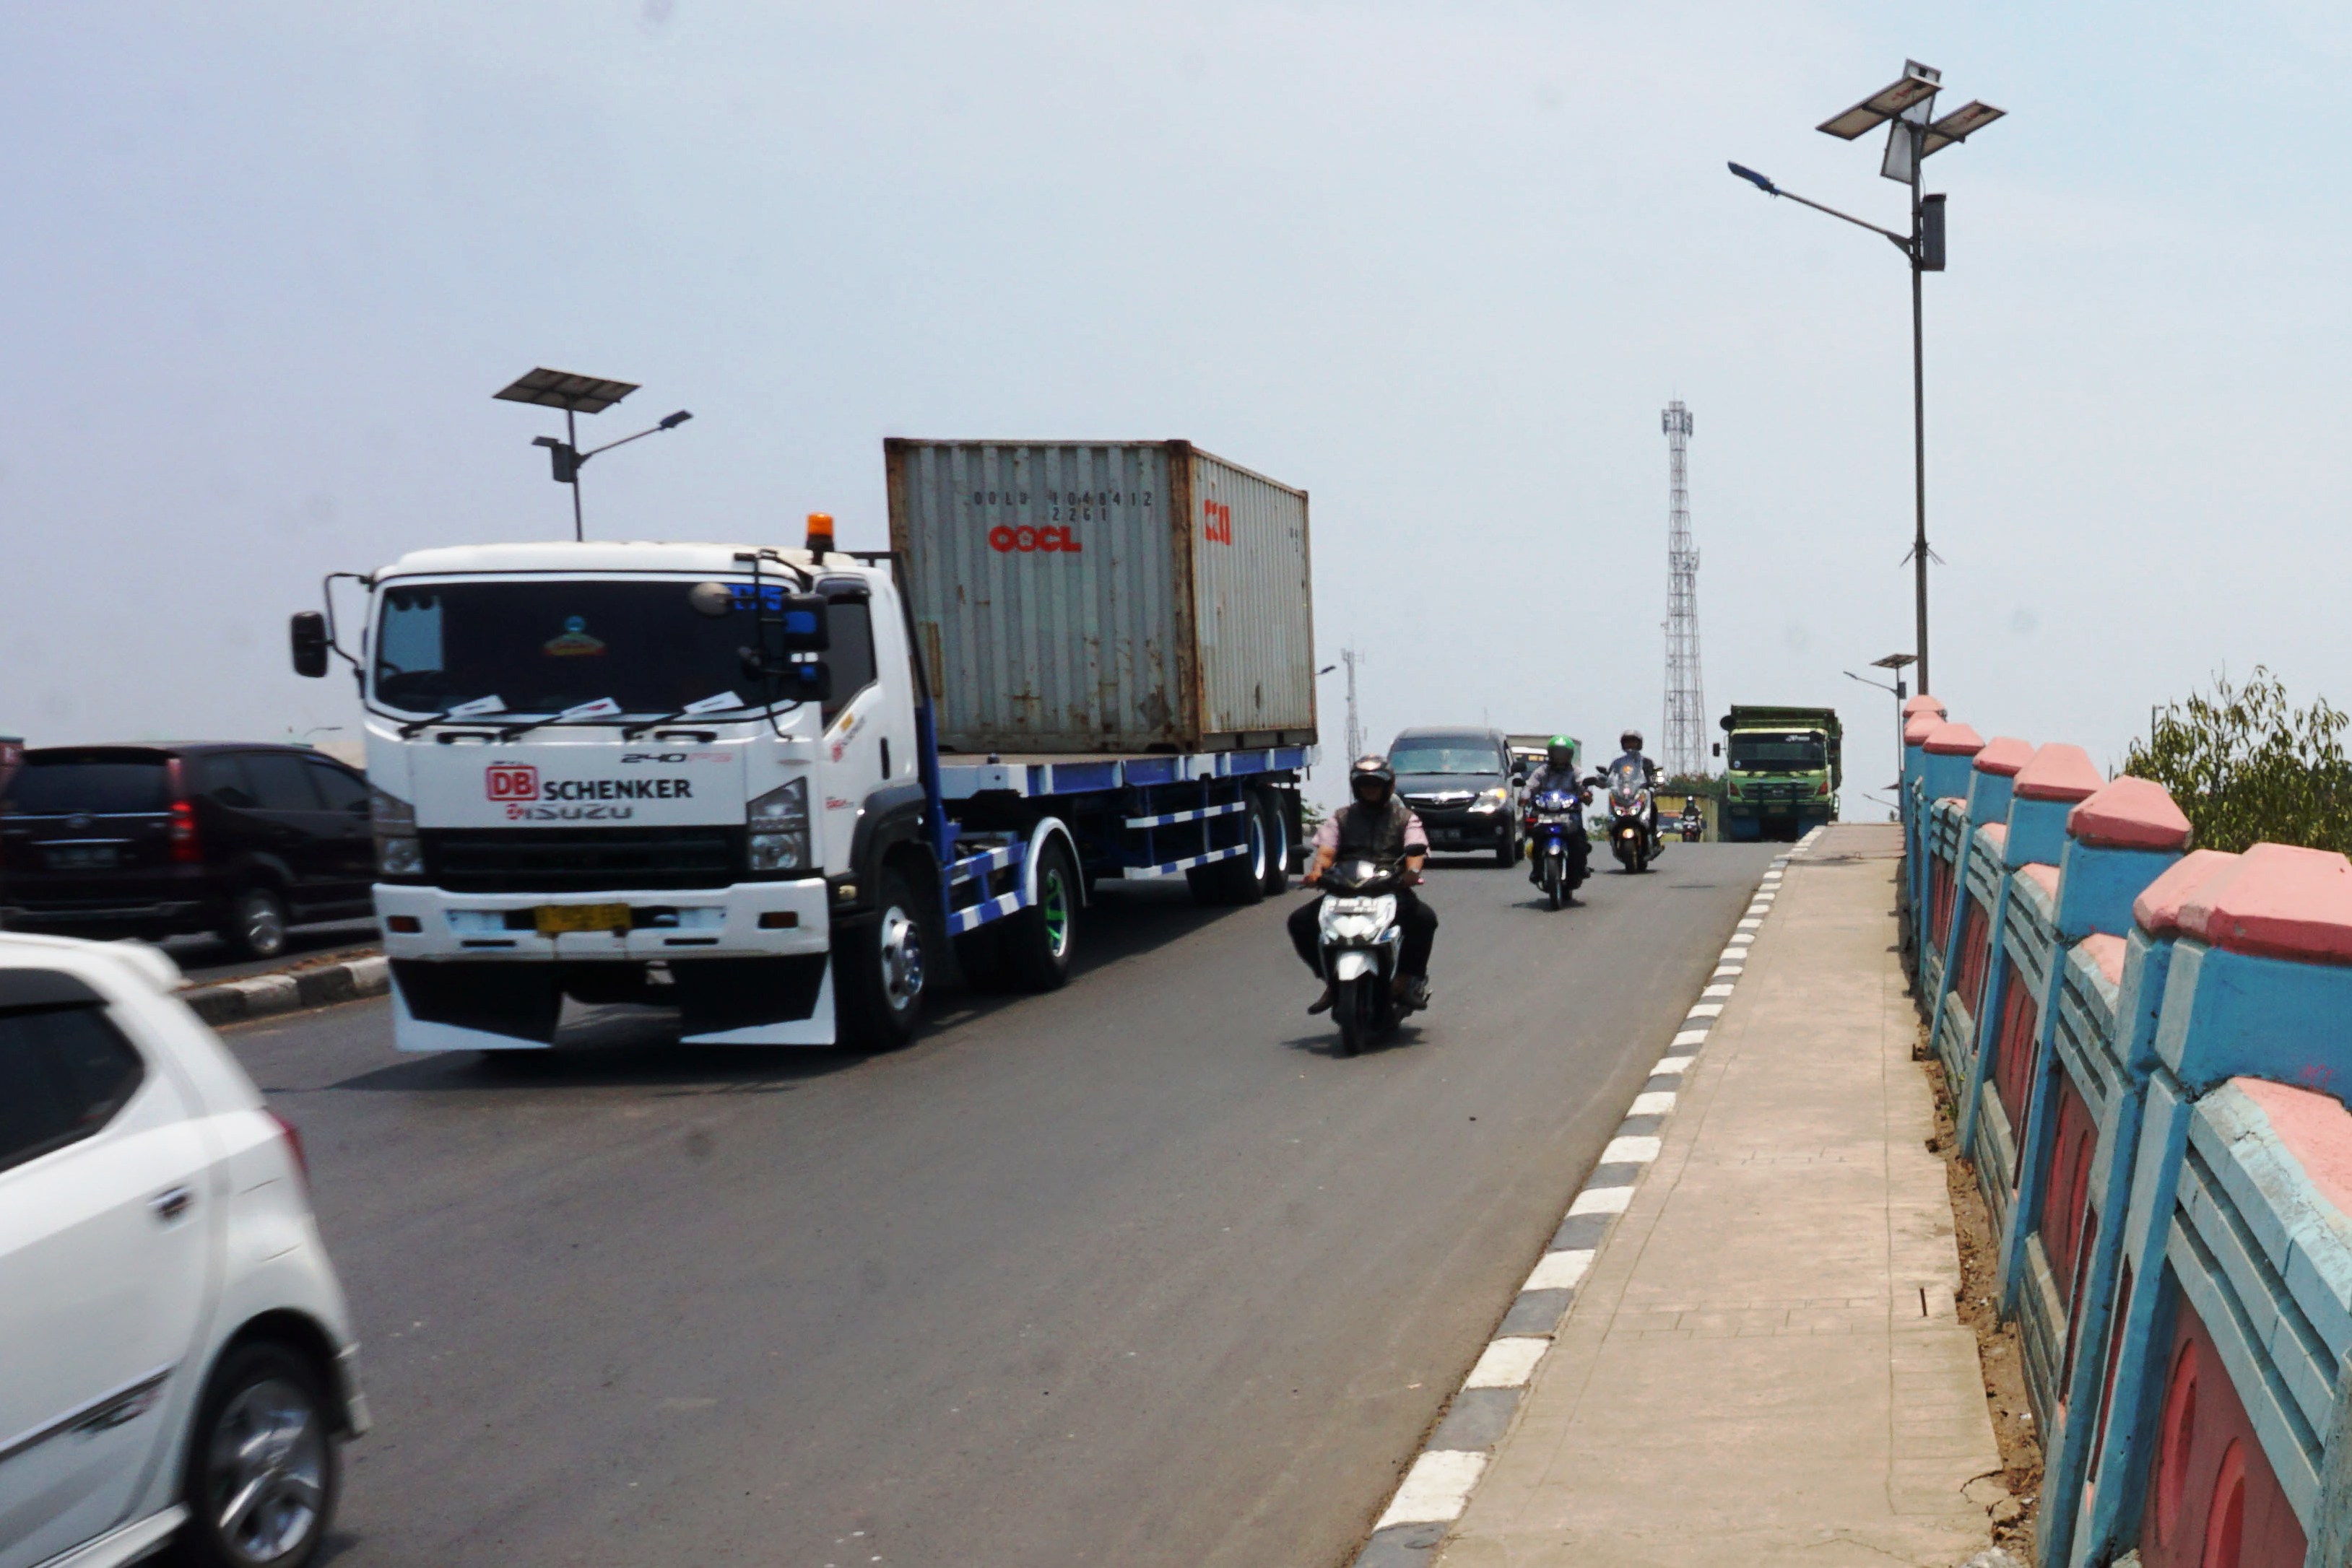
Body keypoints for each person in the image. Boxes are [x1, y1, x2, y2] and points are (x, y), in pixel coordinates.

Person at [1288, 754, 1439, 1013]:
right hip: (1344, 890)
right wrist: (1316, 872)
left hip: (1389, 889)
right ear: (1356, 787)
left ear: (1387, 786)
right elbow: (1326, 853)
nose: (1370, 789)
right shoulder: (1341, 817)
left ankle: (1404, 981)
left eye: (1375, 784)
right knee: (1299, 922)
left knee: (1425, 919)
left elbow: (1415, 851)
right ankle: (1330, 981)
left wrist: (1412, 872)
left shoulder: (1405, 818)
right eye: (1365, 784)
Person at [1520, 735, 1591, 888]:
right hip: (1546, 813)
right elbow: (1530, 786)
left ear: (1570, 755)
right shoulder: (1542, 771)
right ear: (1550, 753)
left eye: (1563, 753)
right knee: (1536, 837)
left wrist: (1586, 793)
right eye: (1557, 753)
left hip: (1570, 814)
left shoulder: (1575, 771)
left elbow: (1584, 784)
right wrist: (1525, 796)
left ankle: (1581, 867)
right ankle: (1537, 869)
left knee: (1580, 840)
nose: (1560, 757)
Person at [1606, 729, 1662, 848]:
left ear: (1639, 744)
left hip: (1640, 793)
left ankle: (1653, 833)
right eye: (1628, 742)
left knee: (1653, 806)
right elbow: (1610, 776)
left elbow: (1656, 774)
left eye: (1633, 742)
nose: (1630, 745)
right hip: (1623, 795)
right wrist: (1603, 780)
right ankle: (1612, 833)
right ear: (1623, 744)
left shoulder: (1646, 762)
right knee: (1612, 803)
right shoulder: (1617, 763)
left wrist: (1657, 782)